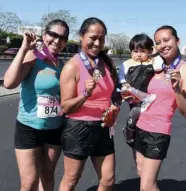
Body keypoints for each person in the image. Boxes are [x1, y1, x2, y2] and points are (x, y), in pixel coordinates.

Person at [3, 19, 69, 191]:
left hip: (55, 128)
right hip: (29, 127)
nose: (57, 41)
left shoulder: (61, 65)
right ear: (44, 35)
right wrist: (24, 49)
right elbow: (9, 83)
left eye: (62, 38)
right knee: (29, 183)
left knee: (47, 179)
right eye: (53, 35)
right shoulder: (33, 57)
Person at [59, 17, 121, 191]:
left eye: (101, 39)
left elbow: (115, 94)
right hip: (79, 128)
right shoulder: (73, 66)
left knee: (108, 180)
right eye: (93, 37)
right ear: (81, 36)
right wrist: (86, 94)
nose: (97, 43)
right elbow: (65, 107)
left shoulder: (107, 63)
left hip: (103, 126)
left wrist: (115, 107)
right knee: (71, 180)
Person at [129, 25, 186, 191]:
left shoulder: (182, 69)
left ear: (177, 41)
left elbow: (184, 111)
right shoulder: (155, 65)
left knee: (146, 186)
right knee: (143, 175)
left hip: (158, 132)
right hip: (139, 126)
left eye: (167, 40)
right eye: (158, 42)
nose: (163, 45)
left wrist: (177, 89)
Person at [118, 34, 164, 144]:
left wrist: (156, 53)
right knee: (136, 110)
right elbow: (120, 76)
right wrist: (124, 84)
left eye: (143, 51)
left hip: (148, 94)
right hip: (132, 94)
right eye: (135, 51)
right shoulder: (127, 63)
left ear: (149, 51)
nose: (139, 55)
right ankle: (129, 128)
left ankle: (142, 131)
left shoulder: (152, 61)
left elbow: (159, 67)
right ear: (131, 52)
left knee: (147, 114)